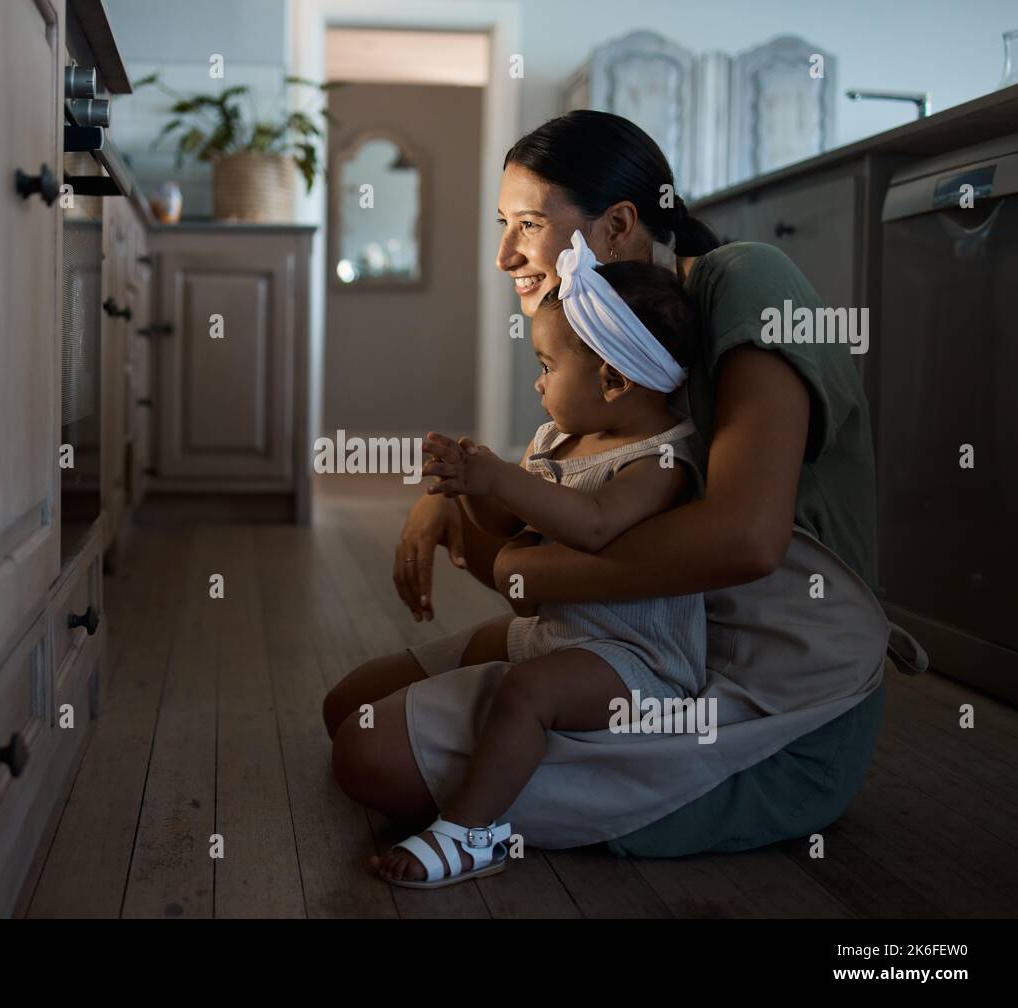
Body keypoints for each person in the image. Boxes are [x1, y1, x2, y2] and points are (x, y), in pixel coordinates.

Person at [324, 110, 910, 867]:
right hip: (608, 633)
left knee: (366, 754)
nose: (505, 254)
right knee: (348, 708)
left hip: (763, 695)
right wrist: (451, 491)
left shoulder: (746, 278)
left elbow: (746, 537)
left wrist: (520, 572)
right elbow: (553, 485)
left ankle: (480, 825)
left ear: (619, 224)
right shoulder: (604, 345)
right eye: (504, 224)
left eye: (528, 223)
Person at [375, 232, 707, 887]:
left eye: (547, 365)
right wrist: (467, 488)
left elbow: (592, 523)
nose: (537, 380)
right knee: (490, 663)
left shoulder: (661, 459)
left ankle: (474, 833)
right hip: (562, 634)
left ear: (611, 379)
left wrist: (501, 478)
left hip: (640, 665)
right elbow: (507, 522)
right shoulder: (560, 436)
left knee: (528, 691)